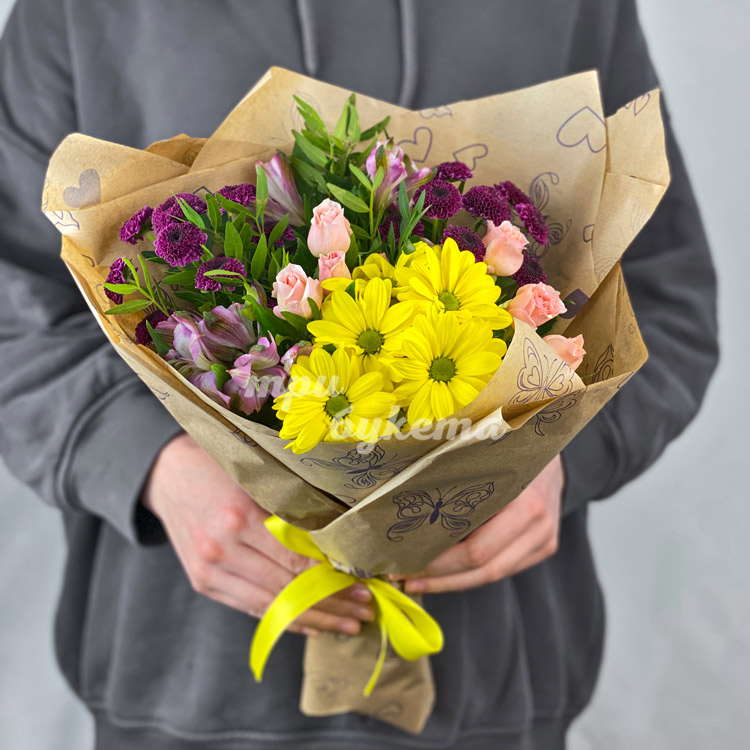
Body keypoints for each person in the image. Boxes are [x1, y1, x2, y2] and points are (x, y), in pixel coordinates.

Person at [0, 0, 718, 748]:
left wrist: (558, 459)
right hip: (186, 678)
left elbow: (664, 299)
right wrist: (148, 463)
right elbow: (14, 308)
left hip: (490, 680)